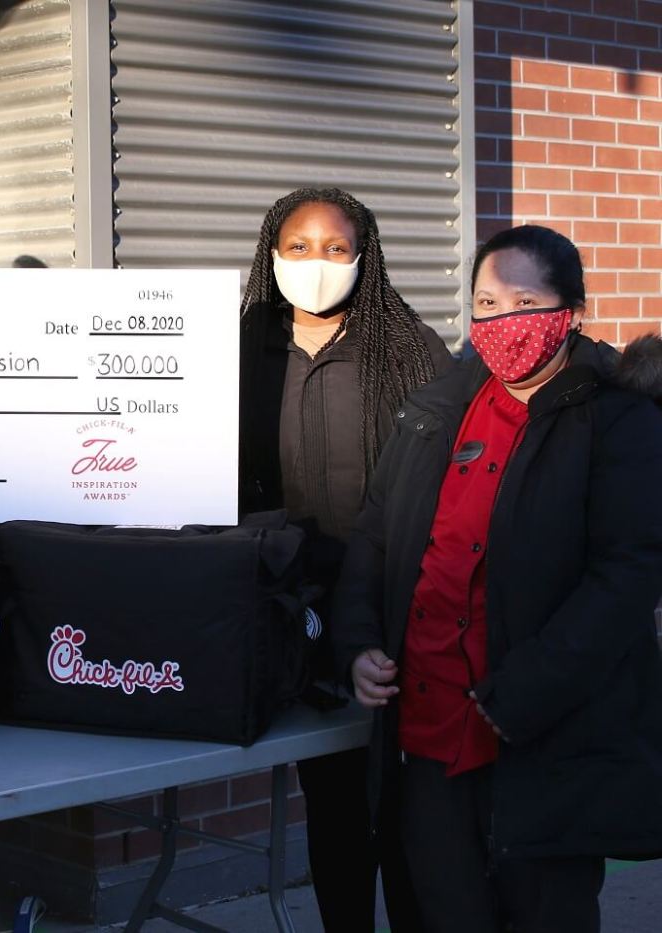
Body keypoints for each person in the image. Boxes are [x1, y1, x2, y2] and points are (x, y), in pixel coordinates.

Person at [334, 224, 662, 932]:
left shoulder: (617, 420)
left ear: (571, 312)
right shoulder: (434, 411)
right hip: (428, 732)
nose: (503, 320)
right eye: (486, 302)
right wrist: (358, 641)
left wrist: (525, 692)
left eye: (524, 301)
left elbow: (628, 576)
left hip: (545, 743)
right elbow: (376, 537)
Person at [238, 187, 451, 932]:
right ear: (272, 253)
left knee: (407, 809)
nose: (317, 263)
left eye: (336, 248)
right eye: (299, 247)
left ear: (365, 257)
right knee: (332, 805)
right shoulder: (239, 351)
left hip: (393, 612)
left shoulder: (409, 348)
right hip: (290, 613)